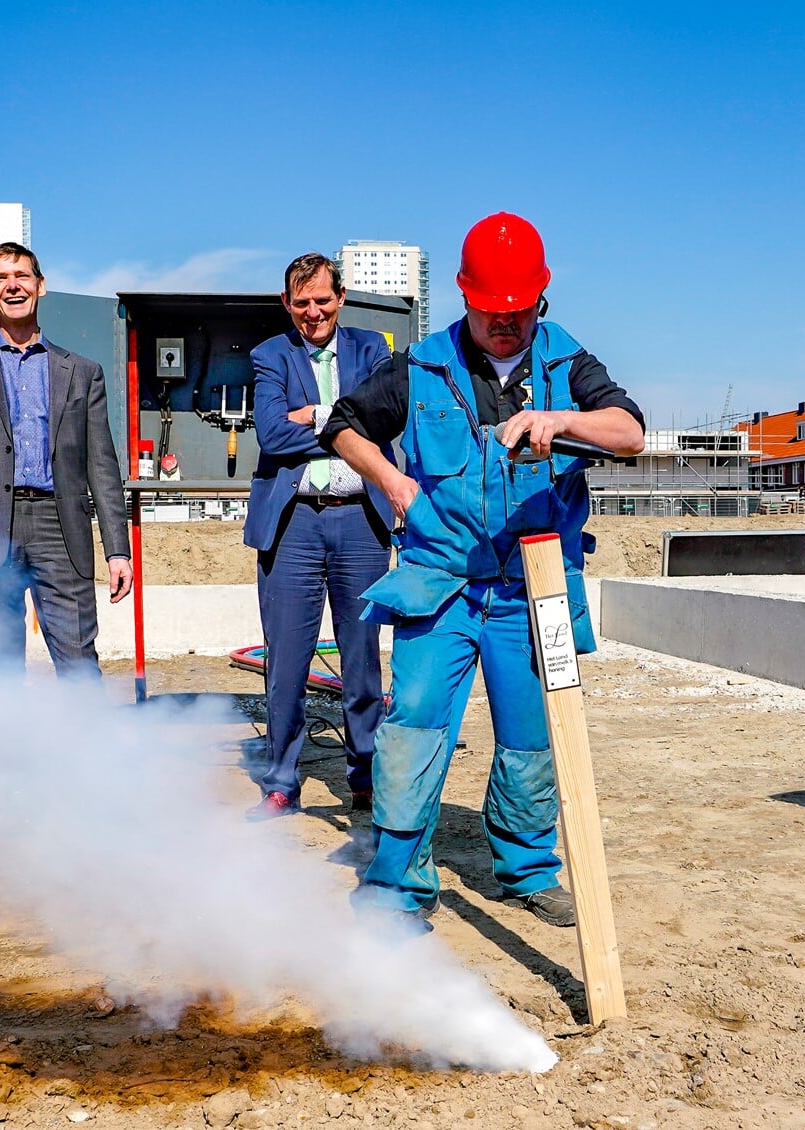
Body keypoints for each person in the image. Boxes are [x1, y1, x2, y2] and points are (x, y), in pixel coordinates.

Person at [322, 213, 645, 929]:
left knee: (533, 733)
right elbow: (341, 422)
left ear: (539, 300)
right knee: (413, 729)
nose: (505, 326)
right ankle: (398, 885)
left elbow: (631, 432)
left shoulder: (566, 362)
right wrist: (391, 480)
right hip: (440, 583)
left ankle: (528, 871)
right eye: (491, 313)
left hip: (539, 587)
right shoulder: (422, 365)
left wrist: (561, 422)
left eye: (517, 313)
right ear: (465, 298)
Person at [0, 242, 133, 680]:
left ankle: (86, 748)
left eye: (22, 276)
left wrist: (117, 550)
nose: (12, 286)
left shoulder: (82, 371)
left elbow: (102, 466)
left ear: (41, 286)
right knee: (0, 660)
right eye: (1, 278)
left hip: (60, 526)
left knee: (77, 656)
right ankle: (13, 750)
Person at [242, 253, 394, 821]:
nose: (313, 312)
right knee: (285, 664)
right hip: (293, 526)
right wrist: (341, 425)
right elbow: (273, 436)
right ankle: (281, 781)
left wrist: (313, 415)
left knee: (362, 662)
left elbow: (381, 423)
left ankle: (365, 774)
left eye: (322, 300)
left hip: (360, 522)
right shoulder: (269, 355)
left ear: (341, 297)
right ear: (287, 304)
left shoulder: (371, 349)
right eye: (301, 302)